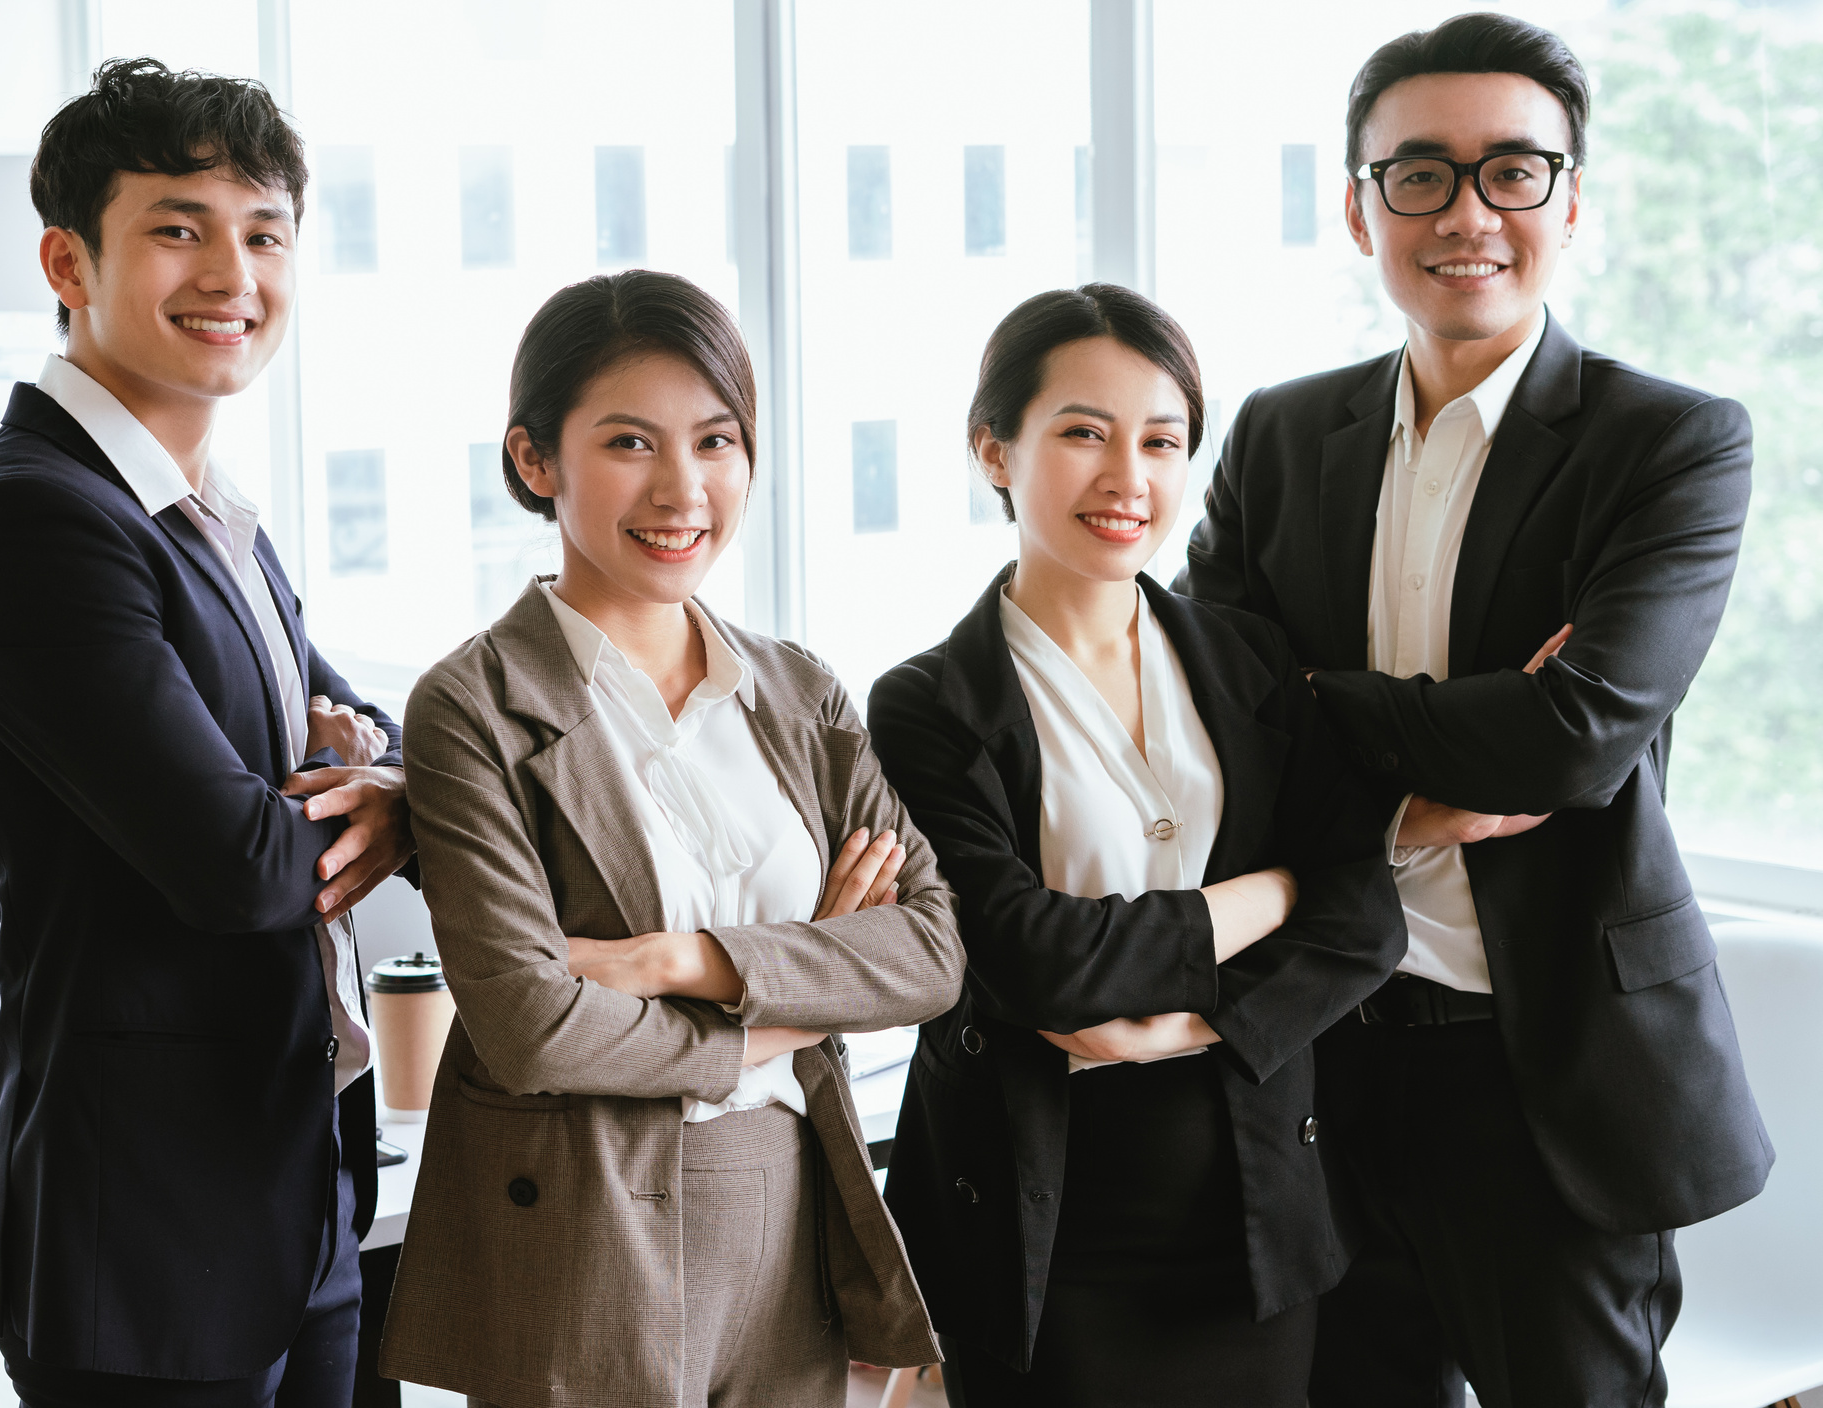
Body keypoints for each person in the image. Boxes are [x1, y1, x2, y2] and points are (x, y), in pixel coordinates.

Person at [1176, 14, 1771, 1405]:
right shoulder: (1277, 435)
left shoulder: (1669, 443)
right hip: (1321, 1061)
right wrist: (1409, 762)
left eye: (1514, 172)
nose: (1467, 214)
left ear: (1573, 203)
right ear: (1358, 205)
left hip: (1545, 1077)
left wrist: (1316, 702)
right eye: (1420, 175)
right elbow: (1204, 731)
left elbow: (1569, 740)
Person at [0, 58, 417, 1407]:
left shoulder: (203, 510)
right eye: (179, 228)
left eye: (265, 235)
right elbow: (242, 863)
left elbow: (353, 724)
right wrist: (395, 803)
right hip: (142, 1235)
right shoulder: (35, 522)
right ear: (67, 260)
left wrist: (371, 768)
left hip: (292, 1196)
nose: (233, 275)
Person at [373, 270, 965, 1408]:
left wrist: (680, 961)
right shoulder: (473, 702)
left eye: (716, 440)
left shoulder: (796, 689)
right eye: (631, 442)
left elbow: (932, 950)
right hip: (583, 1216)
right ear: (536, 460)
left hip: (792, 1205)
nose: (683, 487)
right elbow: (533, 1023)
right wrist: (792, 995)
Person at [866, 283, 1408, 1407]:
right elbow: (1027, 953)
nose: (1128, 478)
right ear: (994, 450)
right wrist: (1267, 894)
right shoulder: (927, 703)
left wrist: (1195, 1021)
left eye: (1162, 441)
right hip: (1037, 1218)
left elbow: (1361, 916)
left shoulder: (1253, 662)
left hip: (1257, 1203)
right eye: (1082, 433)